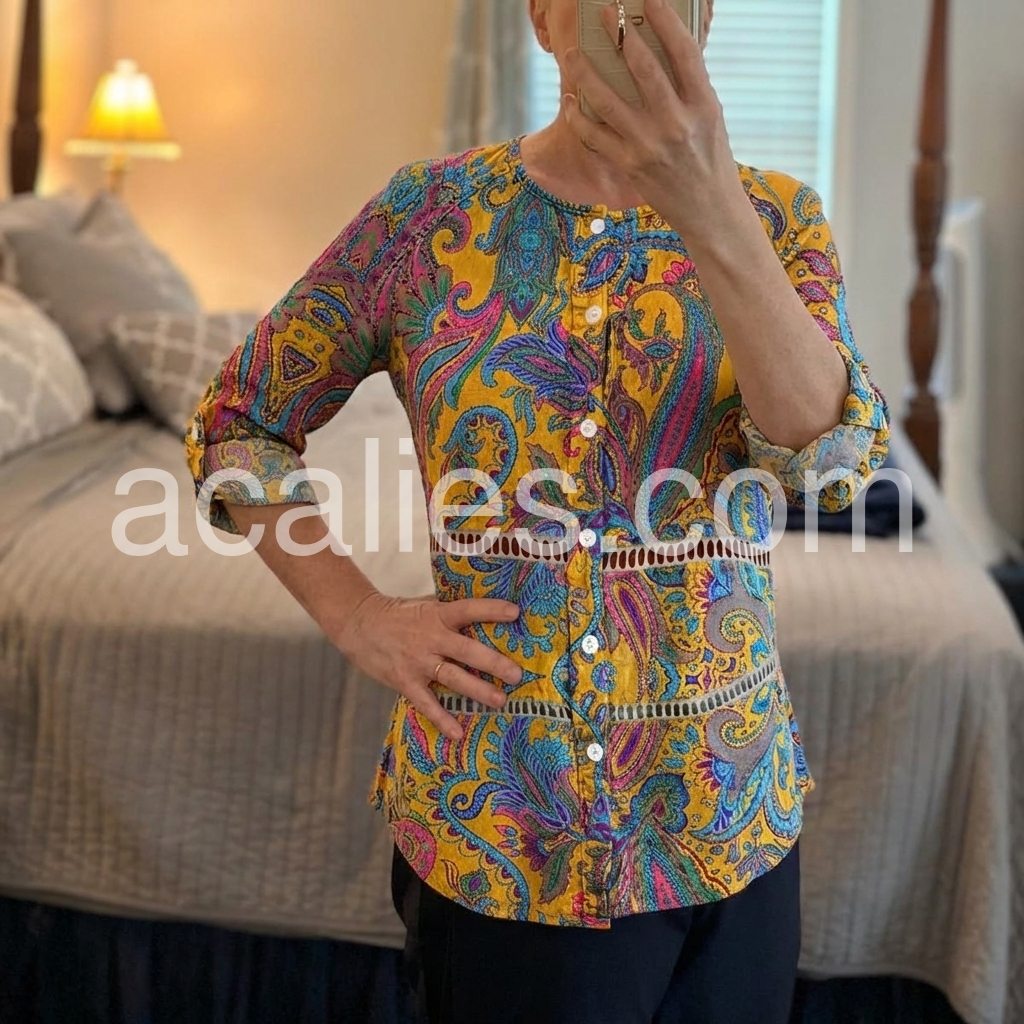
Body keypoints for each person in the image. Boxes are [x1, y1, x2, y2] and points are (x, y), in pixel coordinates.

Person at [185, 0, 890, 1020]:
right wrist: (356, 612)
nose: (632, 17)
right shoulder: (428, 218)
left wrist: (709, 208)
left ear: (704, 19)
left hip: (729, 815)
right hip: (503, 834)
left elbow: (830, 471)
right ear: (543, 19)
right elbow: (239, 420)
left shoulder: (778, 219)